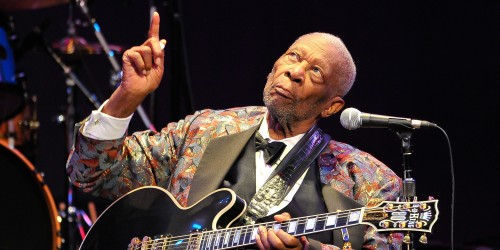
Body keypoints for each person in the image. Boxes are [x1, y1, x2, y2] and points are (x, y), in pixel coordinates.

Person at [67, 12, 403, 250]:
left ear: (331, 107)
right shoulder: (204, 130)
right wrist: (127, 97)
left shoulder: (368, 181)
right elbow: (91, 172)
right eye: (292, 56)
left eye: (316, 72)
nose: (295, 72)